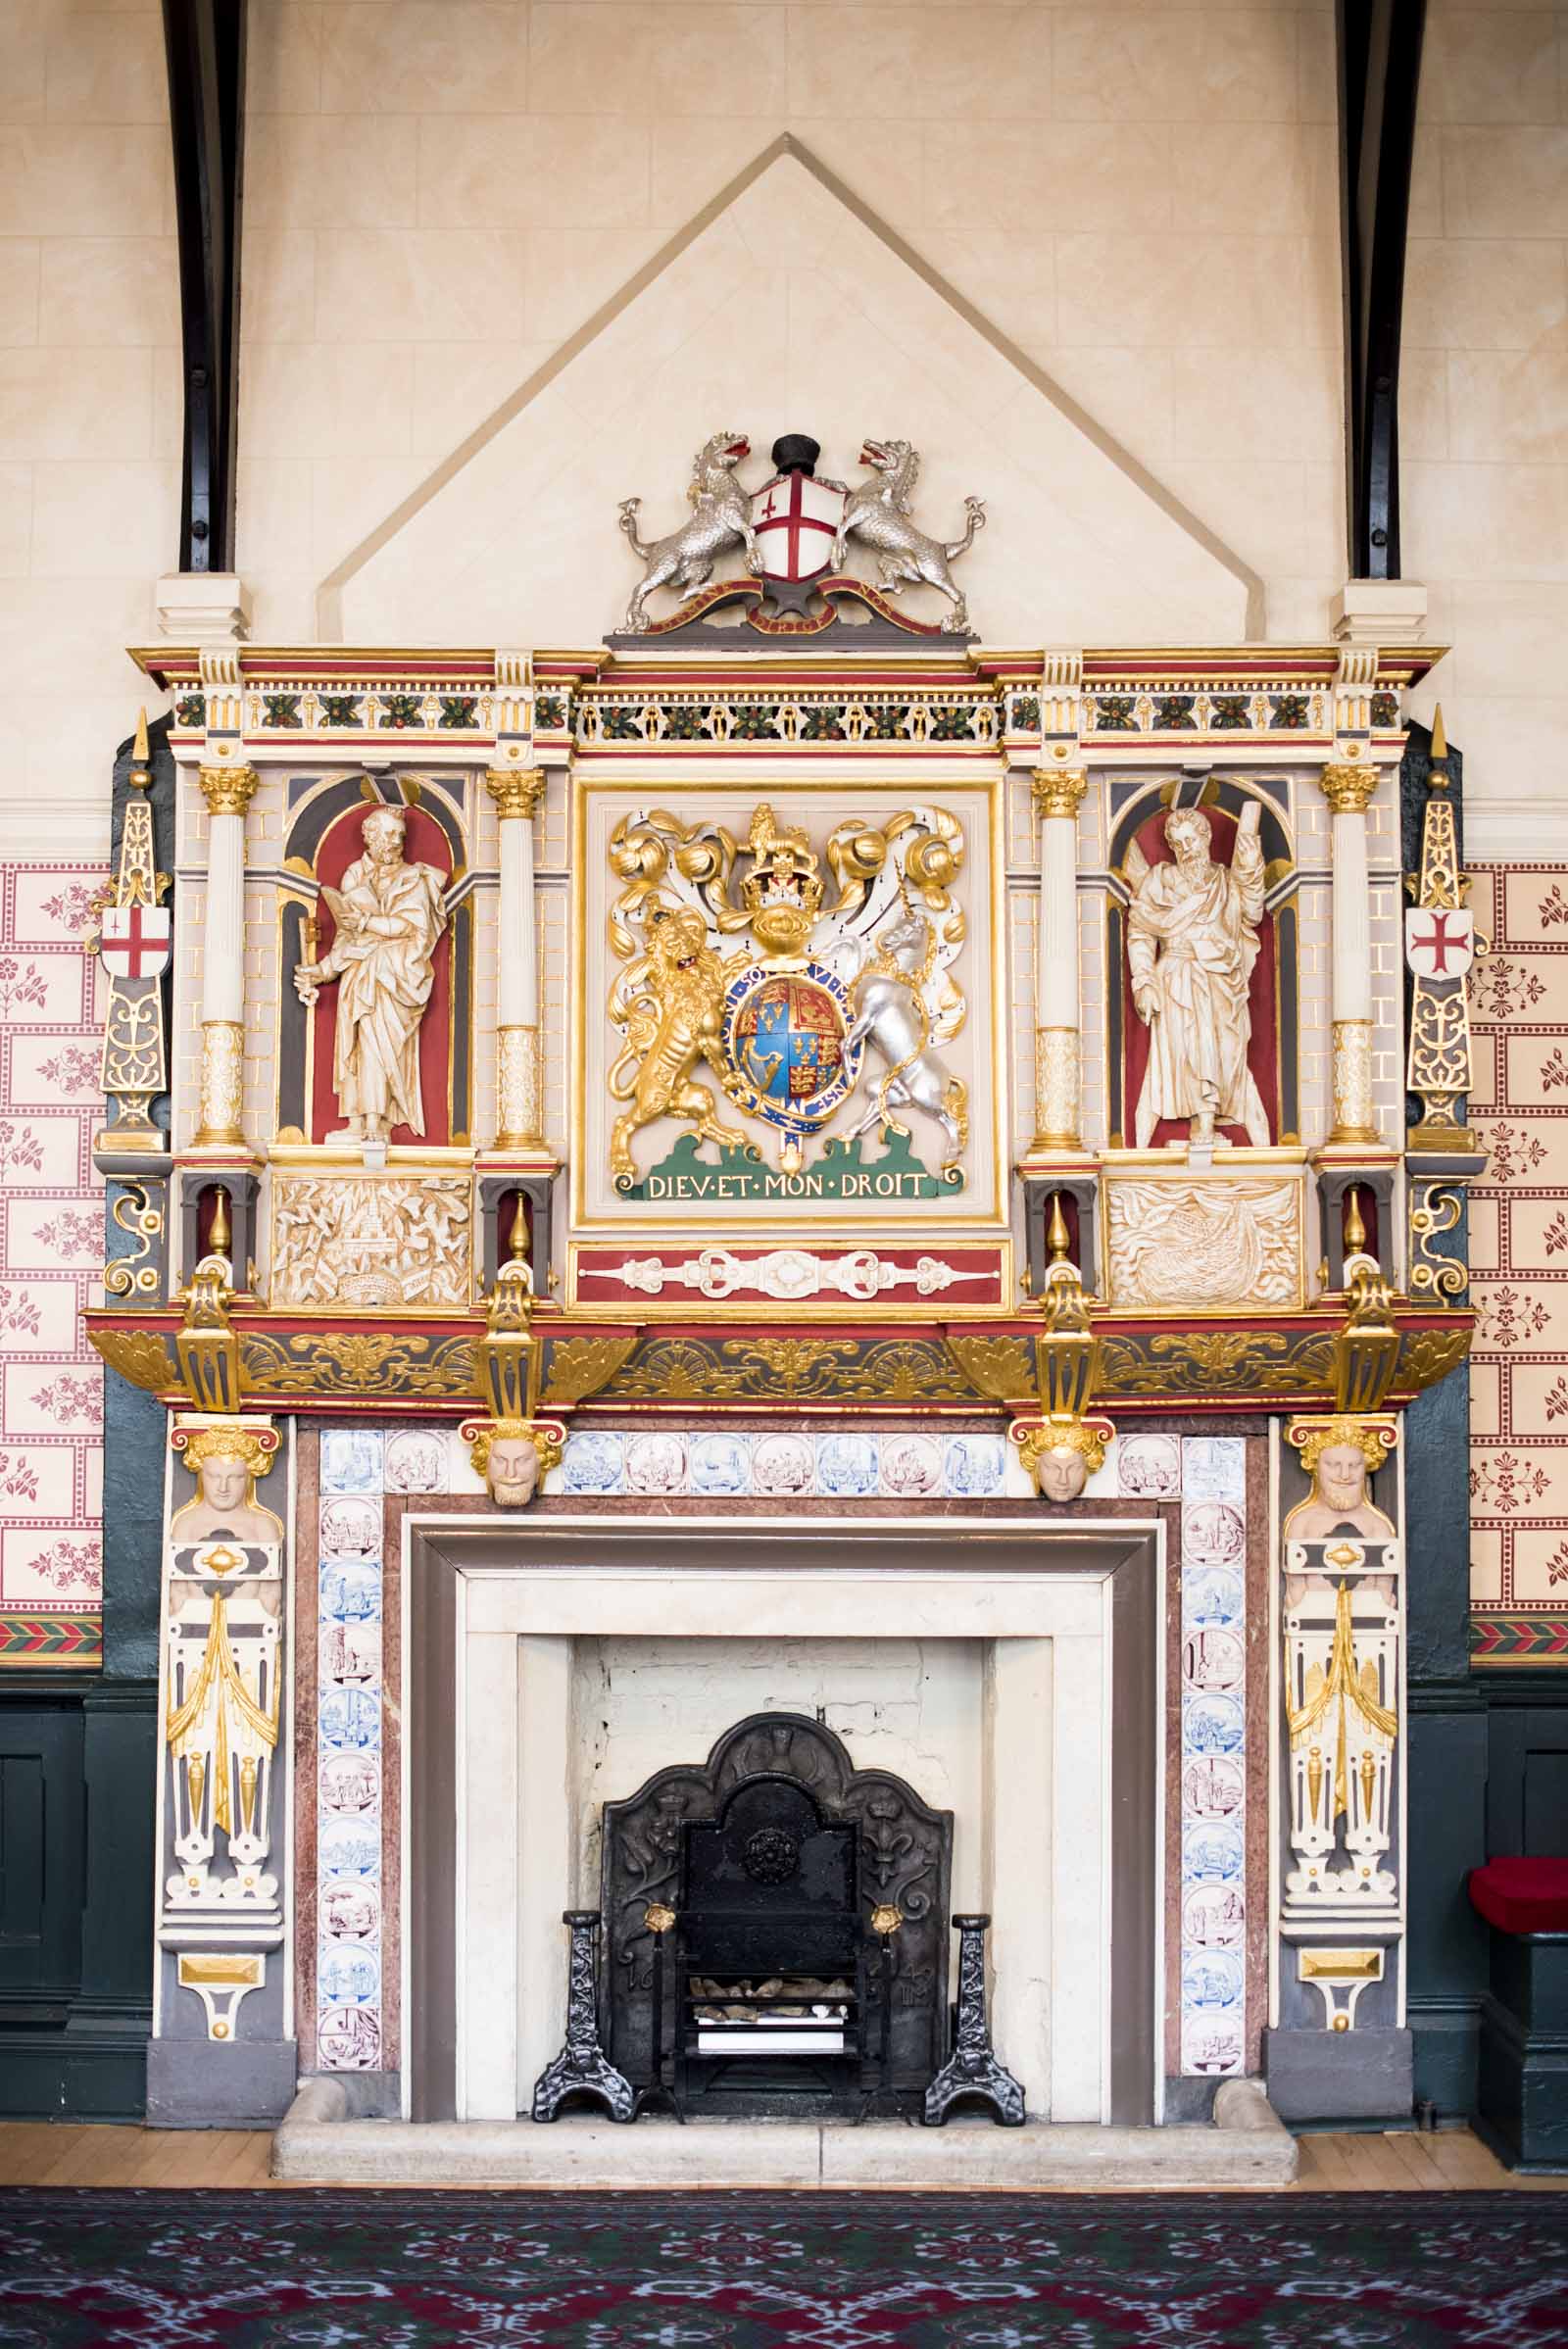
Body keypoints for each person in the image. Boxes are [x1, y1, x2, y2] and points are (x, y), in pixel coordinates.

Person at [294, 803, 448, 1142]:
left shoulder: (416, 879)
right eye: (388, 834)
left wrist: (366, 922)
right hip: (362, 973)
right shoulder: (355, 876)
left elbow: (413, 927)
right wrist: (322, 970)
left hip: (395, 976)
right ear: (371, 837)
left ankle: (377, 1123)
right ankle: (359, 1120)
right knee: (359, 1047)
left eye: (400, 836)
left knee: (380, 1047)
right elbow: (348, 937)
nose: (395, 842)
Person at [1127, 805, 1269, 1148]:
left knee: (1227, 1054)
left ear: (1206, 837)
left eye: (1190, 839)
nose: (1185, 849)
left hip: (1223, 980)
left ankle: (1230, 1129)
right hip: (1176, 977)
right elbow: (1141, 932)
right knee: (1186, 1053)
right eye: (1177, 843)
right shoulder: (1159, 881)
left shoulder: (1225, 880)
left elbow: (1251, 912)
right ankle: (1198, 1129)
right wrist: (1143, 981)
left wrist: (1249, 868)